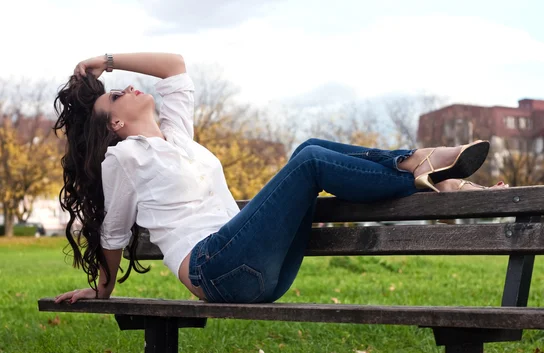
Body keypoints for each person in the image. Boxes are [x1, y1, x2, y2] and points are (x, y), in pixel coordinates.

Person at [53, 53, 506, 305]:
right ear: (115, 126)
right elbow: (113, 232)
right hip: (217, 269)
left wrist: (105, 60)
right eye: (116, 95)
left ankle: (423, 170)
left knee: (307, 149)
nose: (128, 86)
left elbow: (175, 65)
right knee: (308, 158)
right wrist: (103, 289)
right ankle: (419, 169)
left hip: (261, 273)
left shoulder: (179, 138)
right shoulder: (126, 157)